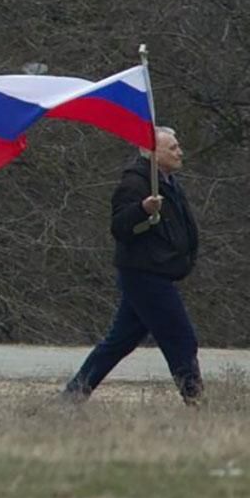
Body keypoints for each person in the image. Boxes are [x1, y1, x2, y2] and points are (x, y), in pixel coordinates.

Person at [63, 127, 202, 405]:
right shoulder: (135, 183)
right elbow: (120, 227)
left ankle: (73, 395)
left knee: (119, 342)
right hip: (146, 275)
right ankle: (195, 400)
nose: (179, 152)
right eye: (172, 148)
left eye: (178, 146)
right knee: (181, 338)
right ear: (152, 153)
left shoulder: (169, 182)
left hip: (157, 273)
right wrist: (143, 210)